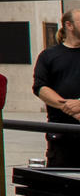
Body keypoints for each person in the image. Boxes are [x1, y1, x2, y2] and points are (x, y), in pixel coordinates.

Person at [31, 9, 80, 169]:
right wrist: (70, 108)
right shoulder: (48, 56)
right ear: (69, 25)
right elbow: (40, 87)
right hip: (60, 133)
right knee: (60, 179)